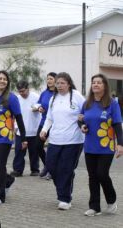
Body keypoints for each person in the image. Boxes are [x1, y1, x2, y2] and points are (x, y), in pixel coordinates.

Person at [79, 74, 123, 216]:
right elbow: (80, 119)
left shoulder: (112, 103)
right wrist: (82, 126)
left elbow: (117, 124)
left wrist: (120, 144)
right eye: (93, 82)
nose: (95, 85)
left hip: (106, 146)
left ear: (105, 85)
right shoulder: (87, 104)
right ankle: (94, 207)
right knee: (92, 176)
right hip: (90, 145)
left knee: (102, 174)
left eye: (99, 82)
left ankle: (111, 200)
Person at [40, 72, 85, 210]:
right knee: (51, 166)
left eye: (62, 83)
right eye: (57, 83)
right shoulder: (53, 98)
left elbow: (85, 112)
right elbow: (49, 117)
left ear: (69, 84)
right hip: (55, 139)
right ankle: (64, 187)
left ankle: (65, 198)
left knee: (66, 168)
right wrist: (44, 130)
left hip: (74, 140)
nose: (59, 86)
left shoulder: (77, 96)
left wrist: (84, 123)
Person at [0, 70, 27, 205]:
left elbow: (19, 118)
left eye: (4, 79)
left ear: (7, 82)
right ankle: (8, 180)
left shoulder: (11, 98)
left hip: (5, 137)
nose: (2, 81)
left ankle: (0, 195)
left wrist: (23, 138)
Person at [11, 80, 41, 177]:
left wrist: (37, 108)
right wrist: (15, 126)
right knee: (19, 152)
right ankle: (18, 170)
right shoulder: (17, 99)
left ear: (28, 89)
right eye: (20, 91)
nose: (22, 93)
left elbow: (41, 107)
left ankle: (35, 169)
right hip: (20, 131)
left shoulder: (36, 97)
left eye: (23, 91)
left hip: (34, 130)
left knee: (34, 152)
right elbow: (14, 115)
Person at [36, 72, 57, 179]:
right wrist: (39, 108)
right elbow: (38, 104)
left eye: (51, 79)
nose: (49, 81)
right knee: (38, 145)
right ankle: (47, 166)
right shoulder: (44, 93)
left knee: (51, 148)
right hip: (44, 123)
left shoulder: (59, 94)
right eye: (48, 79)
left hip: (56, 124)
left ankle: (52, 171)